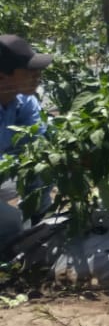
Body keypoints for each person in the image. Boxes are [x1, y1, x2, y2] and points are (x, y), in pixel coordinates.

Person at [1, 35, 52, 242]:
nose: (37, 76)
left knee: (42, 168)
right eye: (29, 71)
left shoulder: (24, 102)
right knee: (10, 223)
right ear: (2, 77)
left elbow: (39, 146)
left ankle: (40, 221)